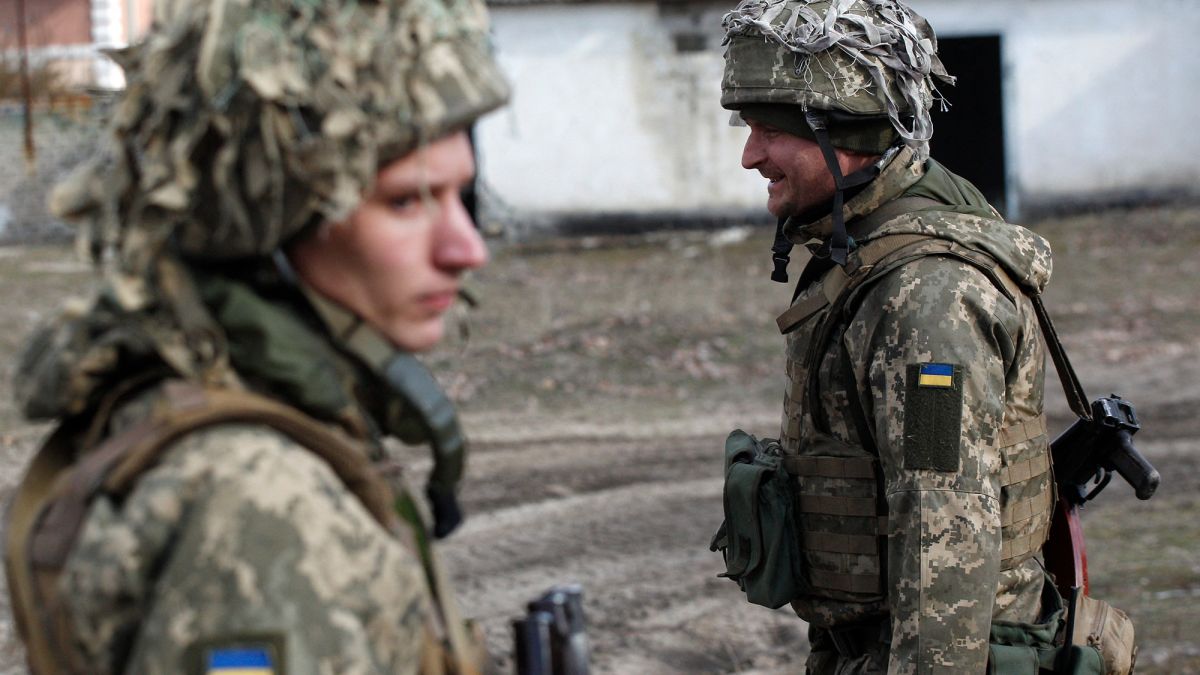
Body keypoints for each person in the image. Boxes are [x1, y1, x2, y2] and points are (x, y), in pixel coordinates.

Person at [3, 0, 510, 672]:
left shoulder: (242, 419)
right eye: (406, 201)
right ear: (269, 225)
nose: (465, 248)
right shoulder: (259, 503)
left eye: (461, 197)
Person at [719, 0, 1059, 672]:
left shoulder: (926, 296)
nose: (749, 155)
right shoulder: (870, 241)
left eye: (769, 130)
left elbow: (946, 540)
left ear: (843, 130)